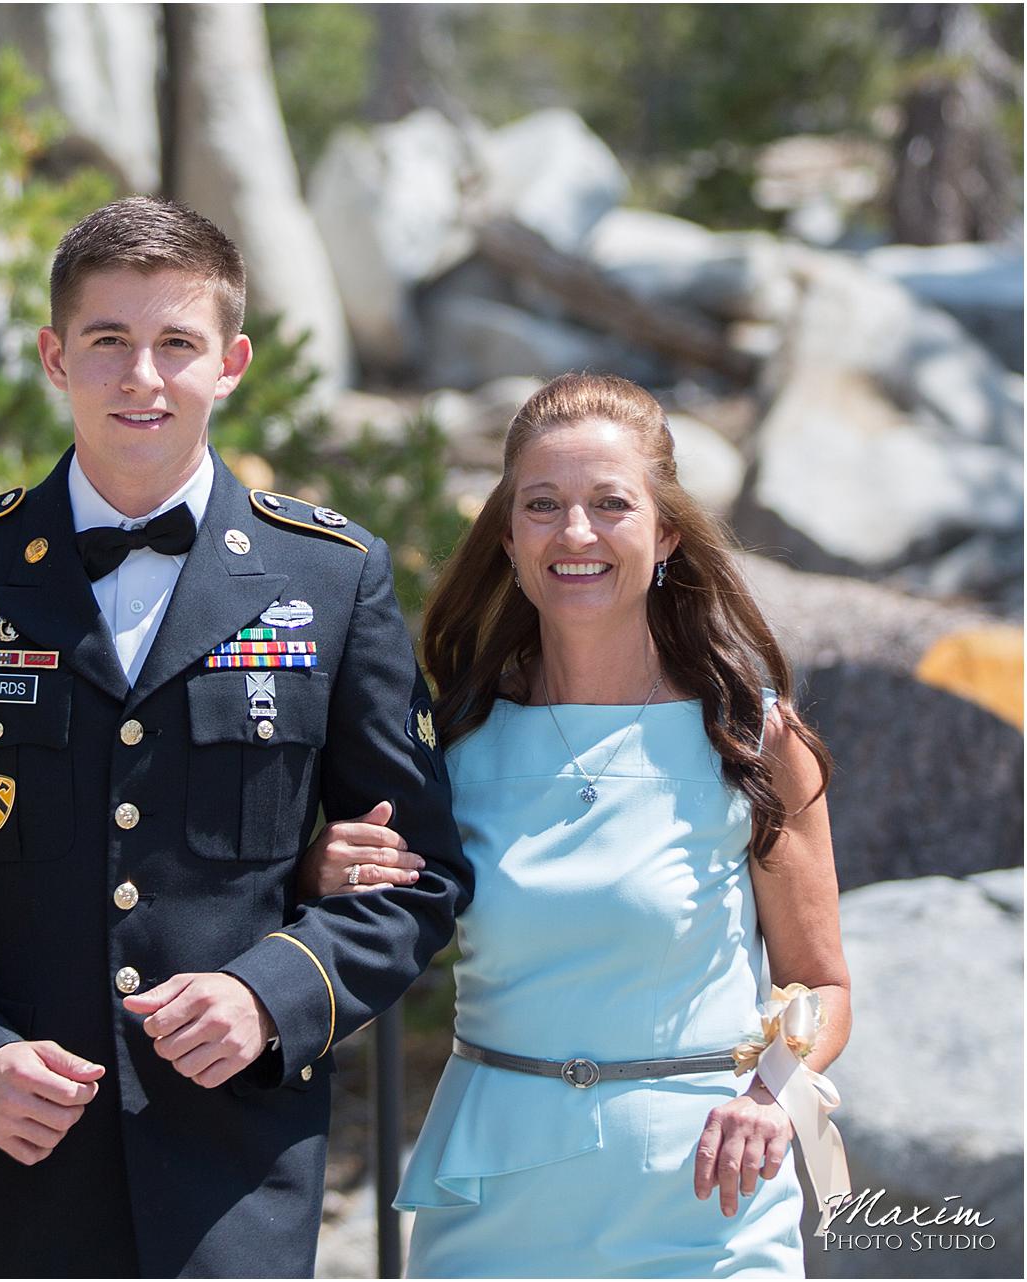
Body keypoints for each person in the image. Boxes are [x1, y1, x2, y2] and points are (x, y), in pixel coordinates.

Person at [0, 196, 468, 1278]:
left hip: (233, 1169)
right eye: (108, 341)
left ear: (233, 360)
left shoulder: (329, 578)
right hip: (11, 1168)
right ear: (56, 356)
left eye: (177, 344)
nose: (142, 377)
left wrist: (273, 990)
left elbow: (420, 872)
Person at [305, 372, 850, 1276]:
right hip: (493, 1209)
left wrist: (773, 1092)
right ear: (511, 538)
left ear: (667, 531)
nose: (577, 534)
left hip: (707, 1208)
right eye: (544, 506)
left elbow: (821, 983)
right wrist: (323, 869)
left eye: (610, 504)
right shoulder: (453, 744)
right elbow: (381, 909)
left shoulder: (753, 737)